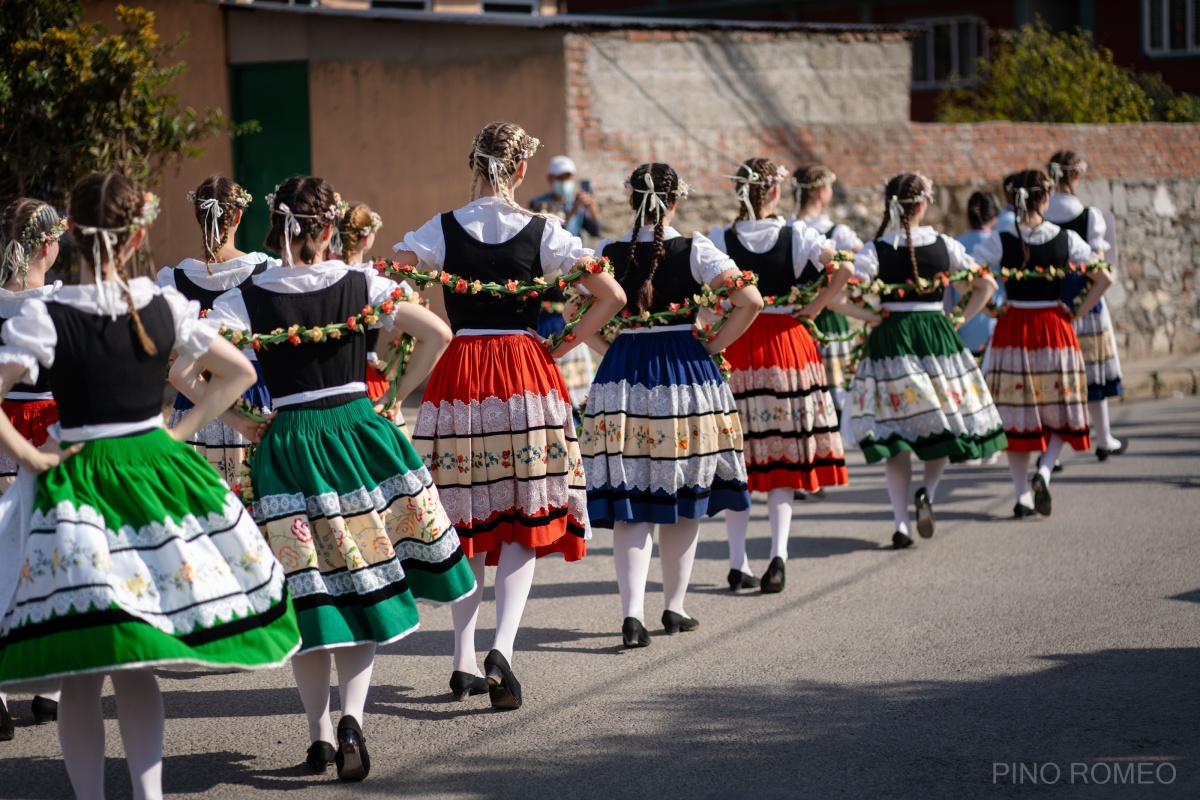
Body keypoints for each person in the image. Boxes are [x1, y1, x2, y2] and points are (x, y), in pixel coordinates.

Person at [0, 171, 300, 800]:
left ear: (73, 235)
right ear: (139, 231)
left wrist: (30, 455)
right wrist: (175, 432)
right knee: (136, 662)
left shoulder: (51, 312)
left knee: (83, 668)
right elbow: (238, 373)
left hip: (76, 486)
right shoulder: (161, 303)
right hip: (149, 478)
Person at [207, 175, 476, 780]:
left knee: (310, 594)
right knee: (363, 580)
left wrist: (242, 419)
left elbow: (186, 369)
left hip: (289, 441)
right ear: (330, 228)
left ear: (276, 227)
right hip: (356, 431)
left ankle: (319, 734)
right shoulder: (362, 284)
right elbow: (436, 332)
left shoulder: (245, 298)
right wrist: (396, 396)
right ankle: (353, 716)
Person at [397, 122, 624, 710]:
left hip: (462, 370)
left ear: (474, 164)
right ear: (522, 170)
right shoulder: (544, 231)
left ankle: (463, 660)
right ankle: (502, 649)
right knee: (525, 506)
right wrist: (567, 341)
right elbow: (612, 295)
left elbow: (393, 278)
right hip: (524, 370)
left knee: (465, 511)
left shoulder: (439, 229)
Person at [582, 162, 762, 646]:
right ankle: (674, 607)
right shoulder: (696, 248)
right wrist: (714, 344)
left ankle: (632, 614)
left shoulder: (608, 251)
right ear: (676, 199)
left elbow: (574, 307)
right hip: (685, 373)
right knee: (683, 498)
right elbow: (750, 298)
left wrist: (609, 348)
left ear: (630, 200)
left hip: (624, 374)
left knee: (632, 501)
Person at [711, 158, 849, 594]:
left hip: (739, 341)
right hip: (787, 343)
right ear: (774, 191)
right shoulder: (798, 235)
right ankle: (778, 557)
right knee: (782, 456)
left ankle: (737, 562)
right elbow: (844, 269)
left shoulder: (720, 237)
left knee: (740, 454)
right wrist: (815, 306)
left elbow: (712, 292)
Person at [848, 173, 1006, 549]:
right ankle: (927, 492)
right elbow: (986, 286)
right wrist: (961, 318)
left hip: (891, 340)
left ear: (892, 205)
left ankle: (901, 524)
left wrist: (873, 317)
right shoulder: (944, 245)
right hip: (937, 336)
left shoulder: (876, 250)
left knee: (894, 435)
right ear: (923, 204)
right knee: (944, 425)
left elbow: (843, 291)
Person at [974, 169, 1110, 518]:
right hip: (1054, 328)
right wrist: (1078, 309)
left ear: (1014, 200)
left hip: (1013, 328)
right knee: (1060, 408)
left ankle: (1022, 497)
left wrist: (991, 308)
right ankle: (1045, 471)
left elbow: (968, 276)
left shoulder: (1001, 238)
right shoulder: (1066, 240)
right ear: (1045, 198)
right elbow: (1104, 276)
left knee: (1016, 413)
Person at [156, 176, 275, 495]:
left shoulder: (172, 281)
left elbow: (170, 352)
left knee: (202, 502)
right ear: (238, 215)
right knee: (258, 496)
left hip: (195, 398)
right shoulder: (267, 271)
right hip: (256, 393)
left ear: (198, 216)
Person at [0, 197, 66, 739]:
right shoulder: (62, 304)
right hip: (46, 426)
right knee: (49, 546)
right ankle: (51, 687)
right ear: (47, 243)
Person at [1046, 150, 1125, 461]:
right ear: (1076, 176)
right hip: (1086, 304)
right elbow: (1099, 266)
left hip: (1053, 304)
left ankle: (1051, 450)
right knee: (1092, 372)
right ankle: (1103, 436)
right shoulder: (1089, 216)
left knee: (1059, 377)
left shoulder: (1044, 216)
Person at [791, 165, 864, 407]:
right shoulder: (838, 233)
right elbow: (863, 268)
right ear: (821, 191)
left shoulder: (786, 229)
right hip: (830, 318)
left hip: (794, 318)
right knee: (838, 394)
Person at [335, 202, 393, 405]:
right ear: (367, 239)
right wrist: (396, 365)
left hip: (329, 378)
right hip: (368, 378)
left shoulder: (322, 276)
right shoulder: (375, 280)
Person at [947, 191, 1005, 360]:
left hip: (960, 324)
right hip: (992, 322)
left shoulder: (955, 244)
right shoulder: (997, 244)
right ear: (994, 217)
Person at [528, 155, 602, 238]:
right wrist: (573, 210)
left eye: (568, 178)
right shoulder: (538, 203)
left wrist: (593, 208)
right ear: (550, 178)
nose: (564, 182)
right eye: (560, 178)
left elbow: (595, 231)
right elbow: (551, 233)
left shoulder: (576, 202)